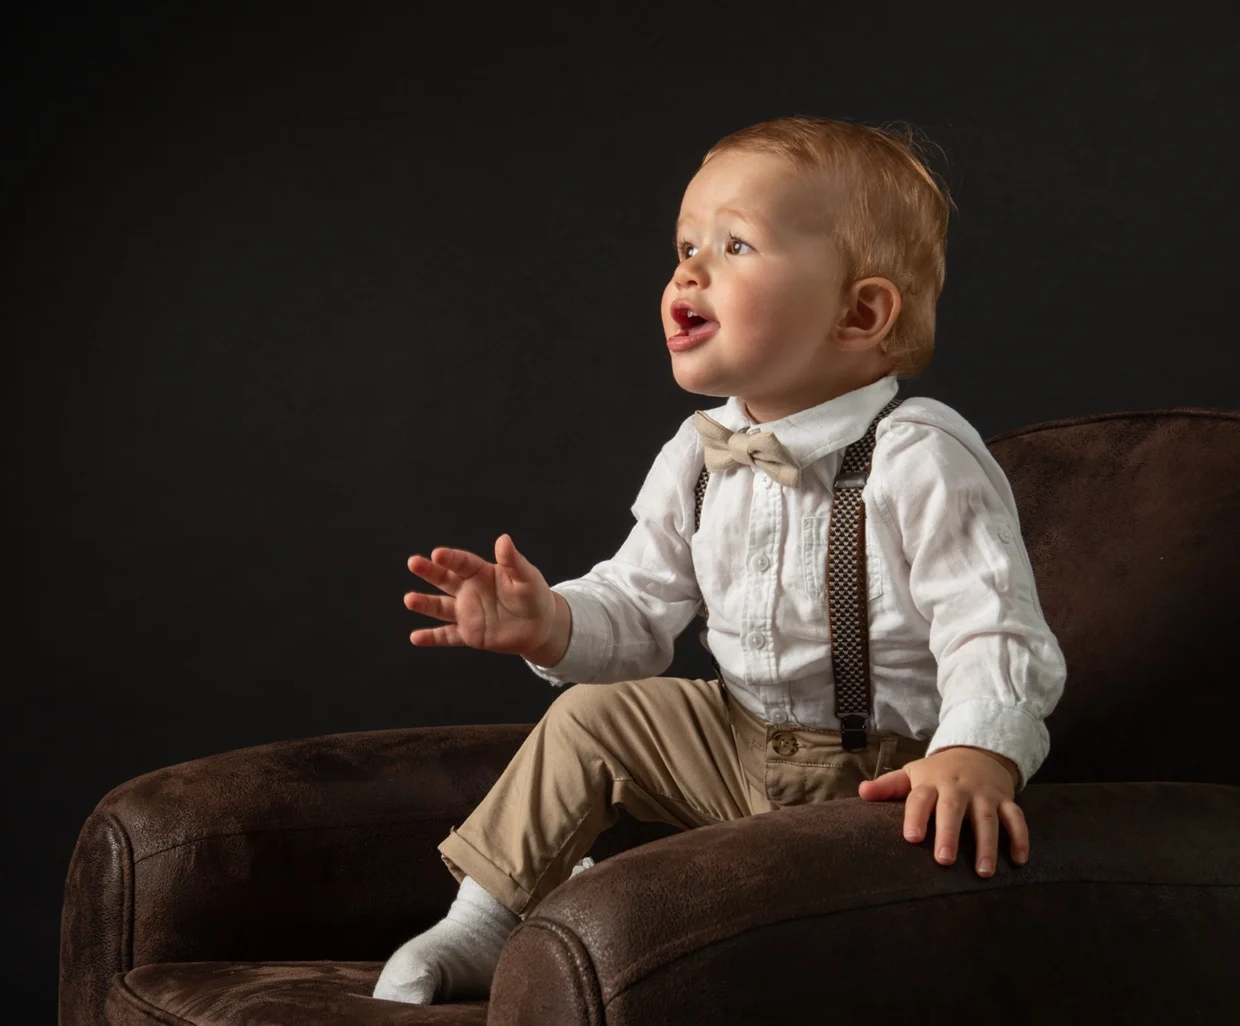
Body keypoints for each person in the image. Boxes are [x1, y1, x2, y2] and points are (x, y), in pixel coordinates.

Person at [371, 114, 1066, 1005]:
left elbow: (993, 623)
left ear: (861, 312)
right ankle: (486, 918)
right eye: (686, 245)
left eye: (736, 245)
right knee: (591, 717)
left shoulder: (919, 454)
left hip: (880, 776)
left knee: (764, 917)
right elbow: (639, 605)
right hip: (739, 742)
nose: (687, 272)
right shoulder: (700, 452)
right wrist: (549, 623)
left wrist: (978, 754)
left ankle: (625, 917)